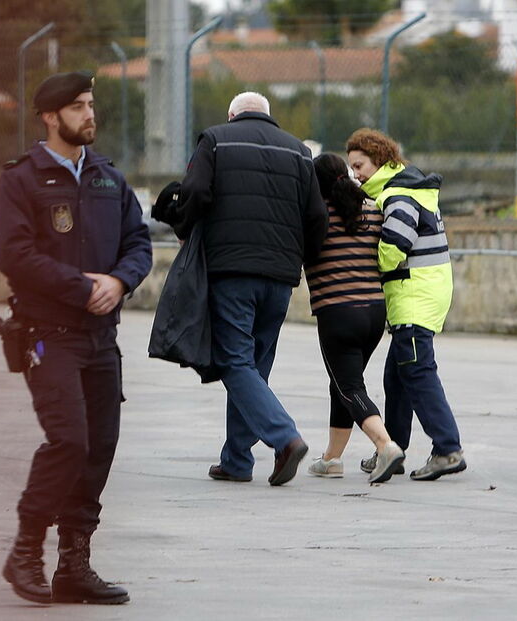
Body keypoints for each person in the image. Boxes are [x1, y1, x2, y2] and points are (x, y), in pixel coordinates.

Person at [0, 71, 152, 605]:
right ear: (50, 116)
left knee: (99, 447)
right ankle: (25, 553)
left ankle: (74, 566)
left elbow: (139, 242)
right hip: (47, 336)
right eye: (78, 107)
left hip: (101, 339)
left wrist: (120, 279)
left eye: (91, 104)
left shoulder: (108, 178)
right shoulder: (22, 179)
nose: (90, 115)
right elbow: (13, 255)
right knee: (69, 441)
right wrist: (80, 287)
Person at [171, 92, 327, 486]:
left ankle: (285, 437)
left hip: (232, 270)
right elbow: (316, 217)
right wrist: (296, 258)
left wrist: (184, 231)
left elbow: (195, 192)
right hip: (279, 277)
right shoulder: (298, 151)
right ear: (268, 116)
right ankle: (237, 460)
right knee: (254, 366)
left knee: (234, 361)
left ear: (232, 114)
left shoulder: (215, 139)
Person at [345, 128, 466, 481]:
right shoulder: (406, 188)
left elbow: (396, 244)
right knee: (396, 374)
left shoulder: (398, 194)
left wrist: (373, 263)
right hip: (419, 294)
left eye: (360, 165)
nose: (357, 174)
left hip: (415, 297)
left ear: (379, 160)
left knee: (416, 370)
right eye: (352, 168)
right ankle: (391, 449)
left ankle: (447, 449)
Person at [304, 153, 405, 484]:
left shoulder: (314, 217)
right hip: (374, 313)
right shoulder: (371, 209)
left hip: (337, 312)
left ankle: (385, 445)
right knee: (343, 385)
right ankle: (332, 459)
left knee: (349, 386)